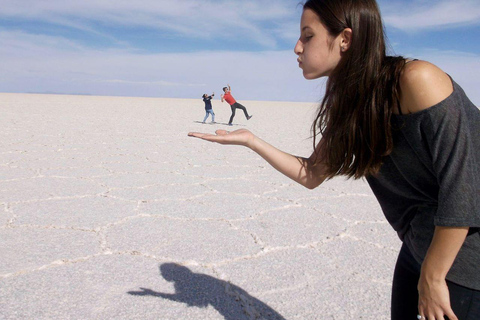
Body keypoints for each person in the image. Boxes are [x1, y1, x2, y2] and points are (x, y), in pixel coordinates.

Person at [189, 0, 480, 319]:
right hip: (418, 248)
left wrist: (433, 277)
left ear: (345, 39)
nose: (296, 47)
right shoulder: (352, 102)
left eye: (308, 35)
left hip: (463, 264)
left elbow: (464, 191)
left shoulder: (417, 80)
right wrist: (251, 141)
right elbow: (312, 174)